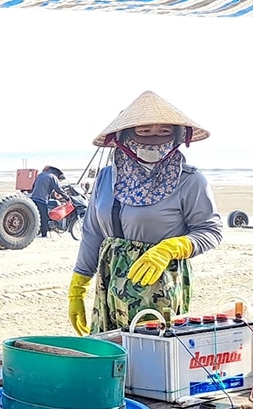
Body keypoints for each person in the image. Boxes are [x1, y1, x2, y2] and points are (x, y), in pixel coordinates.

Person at [68, 90, 222, 335]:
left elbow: (211, 230)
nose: (154, 139)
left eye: (164, 131)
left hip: (158, 284)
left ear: (178, 135)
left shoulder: (190, 180)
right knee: (110, 354)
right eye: (144, 131)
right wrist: (79, 284)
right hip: (109, 282)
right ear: (124, 135)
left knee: (153, 356)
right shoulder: (107, 177)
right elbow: (92, 232)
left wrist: (170, 248)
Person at [29, 165, 67, 238]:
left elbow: (33, 186)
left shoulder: (40, 175)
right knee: (44, 218)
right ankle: (44, 234)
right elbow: (59, 189)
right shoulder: (53, 177)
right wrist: (67, 198)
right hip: (42, 199)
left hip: (33, 198)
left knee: (37, 217)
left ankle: (37, 232)